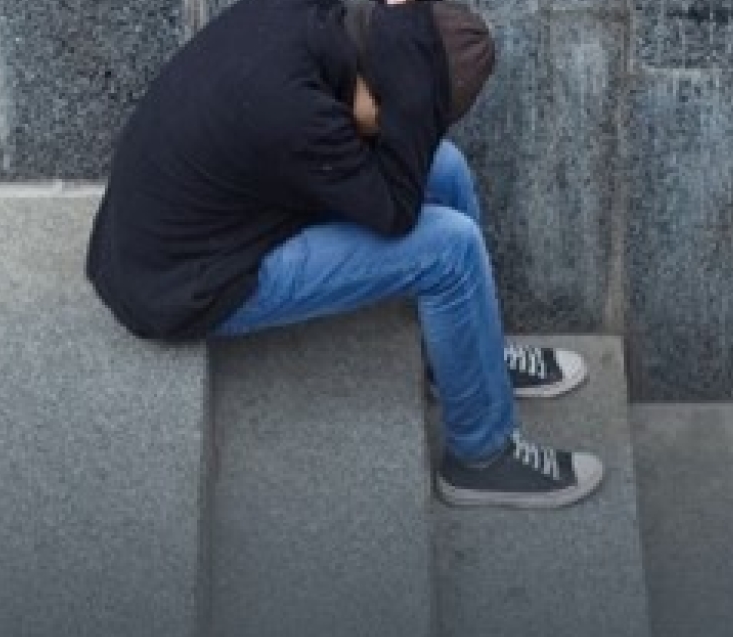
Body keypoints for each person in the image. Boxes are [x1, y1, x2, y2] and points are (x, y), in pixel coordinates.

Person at [85, 0, 603, 509]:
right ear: (377, 92)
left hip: (194, 217)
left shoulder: (326, 26)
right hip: (179, 281)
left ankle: (470, 361)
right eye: (397, 114)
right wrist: (410, 109)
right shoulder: (297, 115)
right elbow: (396, 215)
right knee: (449, 249)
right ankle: (483, 457)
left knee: (442, 167)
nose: (396, 123)